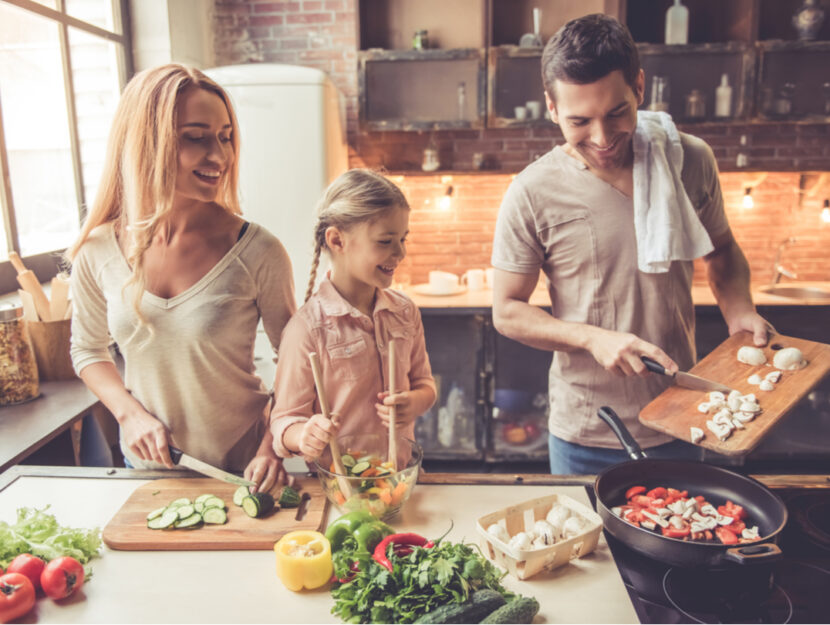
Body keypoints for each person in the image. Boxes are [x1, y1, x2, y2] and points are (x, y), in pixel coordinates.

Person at [490, 15, 770, 475]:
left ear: (639, 87)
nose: (602, 138)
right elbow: (507, 310)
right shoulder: (531, 191)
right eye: (580, 121)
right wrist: (591, 337)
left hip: (684, 415)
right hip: (586, 429)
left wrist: (739, 311)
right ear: (552, 108)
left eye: (617, 112)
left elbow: (720, 249)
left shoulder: (689, 159)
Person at [68, 64, 295, 492]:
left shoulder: (259, 250)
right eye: (196, 138)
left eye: (226, 137)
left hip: (246, 469)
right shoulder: (97, 249)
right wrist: (129, 414)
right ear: (146, 143)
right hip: (149, 468)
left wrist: (272, 447)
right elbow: (87, 350)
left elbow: (296, 363)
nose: (221, 156)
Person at [269, 169, 436, 466]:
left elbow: (425, 383)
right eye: (385, 241)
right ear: (337, 241)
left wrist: (415, 402)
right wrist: (304, 433)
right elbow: (283, 421)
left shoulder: (405, 312)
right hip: (339, 489)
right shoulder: (306, 330)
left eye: (402, 239)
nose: (400, 252)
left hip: (399, 478)